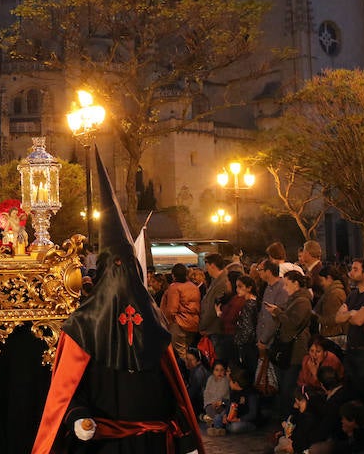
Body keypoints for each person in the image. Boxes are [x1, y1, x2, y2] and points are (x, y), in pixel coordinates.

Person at [31, 150, 202, 453]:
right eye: (116, 268)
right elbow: (69, 389)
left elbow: (171, 385)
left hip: (151, 441)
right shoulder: (84, 324)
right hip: (103, 442)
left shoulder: (153, 320)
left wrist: (179, 424)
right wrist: (78, 417)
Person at [265, 270, 312, 417]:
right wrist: (276, 314)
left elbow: (293, 323)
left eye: (286, 284)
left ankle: (289, 419)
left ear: (296, 283)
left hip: (295, 350)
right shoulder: (292, 300)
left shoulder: (302, 301)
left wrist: (278, 312)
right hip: (287, 349)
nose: (284, 288)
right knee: (284, 386)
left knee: (288, 387)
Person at [335, 259, 364, 402]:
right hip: (351, 348)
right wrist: (352, 313)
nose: (350, 272)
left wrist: (350, 315)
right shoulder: (353, 294)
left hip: (363, 350)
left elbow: (360, 320)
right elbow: (338, 317)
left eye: (355, 269)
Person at [160, 263, 200, 361]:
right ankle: (192, 372)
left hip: (179, 323)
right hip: (193, 323)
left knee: (180, 353)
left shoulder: (174, 287)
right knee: (189, 352)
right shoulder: (193, 286)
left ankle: (183, 374)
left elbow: (171, 309)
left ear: (173, 275)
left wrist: (168, 323)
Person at [202, 360, 230, 435]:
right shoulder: (210, 379)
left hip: (223, 404)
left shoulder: (226, 380)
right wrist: (211, 403)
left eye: (221, 370)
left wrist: (219, 403)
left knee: (221, 413)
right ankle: (216, 422)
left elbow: (226, 396)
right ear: (213, 371)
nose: (219, 372)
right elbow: (206, 393)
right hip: (211, 405)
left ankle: (215, 424)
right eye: (216, 370)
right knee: (211, 410)